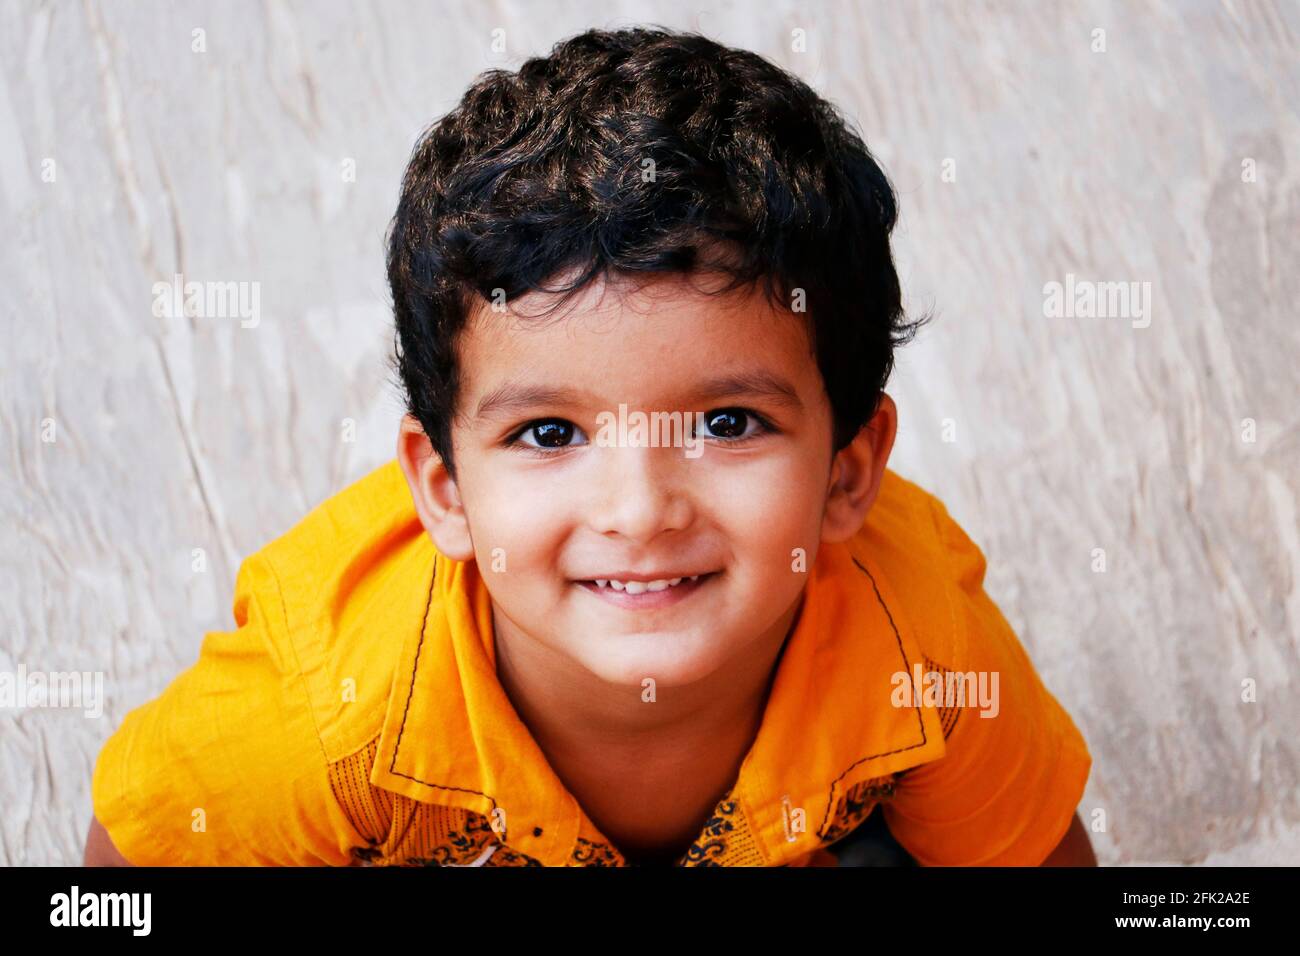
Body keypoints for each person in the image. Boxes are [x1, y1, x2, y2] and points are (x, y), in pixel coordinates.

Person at [86, 26, 1095, 868]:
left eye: (726, 422)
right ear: (443, 489)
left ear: (847, 472)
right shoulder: (331, 711)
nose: (639, 507)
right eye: (549, 432)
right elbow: (123, 868)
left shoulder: (918, 652)